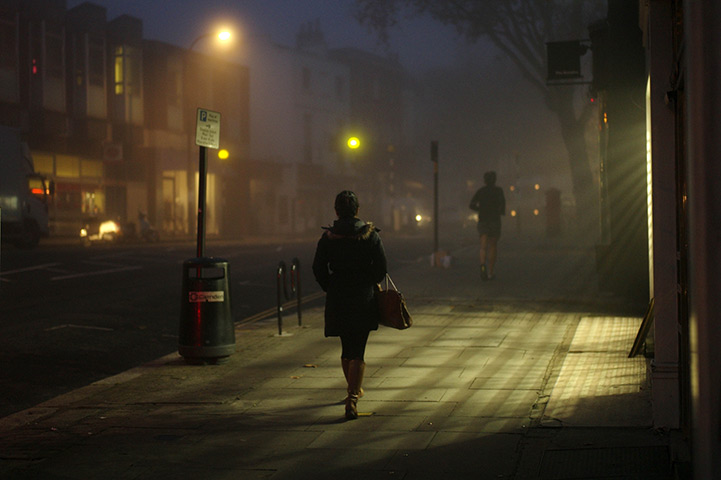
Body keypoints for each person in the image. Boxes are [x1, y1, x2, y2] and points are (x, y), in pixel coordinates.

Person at [312, 191, 387, 420]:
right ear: (357, 210)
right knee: (359, 349)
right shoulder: (370, 235)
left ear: (336, 211)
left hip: (338, 294)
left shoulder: (328, 237)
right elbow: (381, 267)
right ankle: (352, 398)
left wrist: (329, 286)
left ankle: (353, 391)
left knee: (346, 348)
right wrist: (369, 281)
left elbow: (318, 267)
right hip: (362, 294)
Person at [469, 171, 506, 280]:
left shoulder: (481, 191)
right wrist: (498, 211)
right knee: (493, 246)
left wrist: (480, 209)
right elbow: (502, 206)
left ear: (484, 180)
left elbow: (471, 204)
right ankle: (490, 272)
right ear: (495, 180)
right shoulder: (499, 191)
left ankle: (482, 266)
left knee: (483, 246)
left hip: (483, 220)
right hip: (494, 220)